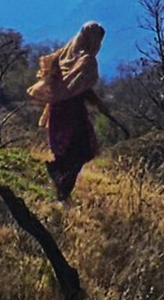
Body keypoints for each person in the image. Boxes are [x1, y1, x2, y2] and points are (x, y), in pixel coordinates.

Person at [28, 21, 116, 203]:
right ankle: (62, 190)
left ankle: (61, 186)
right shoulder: (85, 61)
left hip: (59, 111)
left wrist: (98, 105)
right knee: (82, 151)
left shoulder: (66, 55)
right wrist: (99, 105)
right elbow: (79, 88)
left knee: (70, 152)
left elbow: (73, 86)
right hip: (72, 114)